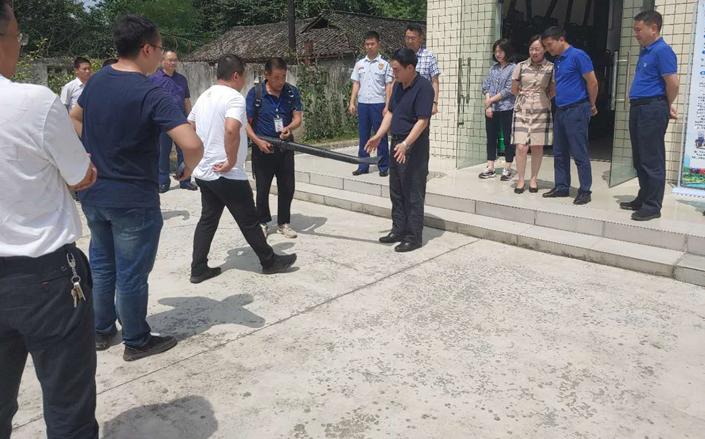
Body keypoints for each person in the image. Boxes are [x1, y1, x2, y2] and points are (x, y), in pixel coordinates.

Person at [69, 15, 204, 361]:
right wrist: (187, 171)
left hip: (94, 195)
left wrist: (88, 153)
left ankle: (101, 330)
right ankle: (136, 339)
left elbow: (74, 118)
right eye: (159, 49)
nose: (161, 56)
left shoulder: (96, 81)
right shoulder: (151, 92)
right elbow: (191, 144)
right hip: (133, 200)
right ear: (146, 49)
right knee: (131, 274)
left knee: (102, 266)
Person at [0, 0, 100, 436]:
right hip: (42, 276)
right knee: (67, 404)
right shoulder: (33, 101)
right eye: (17, 35)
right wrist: (83, 167)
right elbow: (80, 176)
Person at [188, 54, 298, 282]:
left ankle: (198, 268)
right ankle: (269, 261)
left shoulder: (204, 96)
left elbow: (189, 126)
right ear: (236, 75)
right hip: (226, 173)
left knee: (207, 220)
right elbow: (231, 130)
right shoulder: (234, 98)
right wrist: (230, 161)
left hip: (206, 172)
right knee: (249, 221)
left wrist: (192, 161)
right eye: (245, 75)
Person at [365, 48, 434, 253]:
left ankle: (413, 237)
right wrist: (379, 136)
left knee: (413, 192)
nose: (393, 73)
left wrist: (406, 144)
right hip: (396, 144)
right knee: (396, 191)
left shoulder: (424, 88)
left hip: (413, 146)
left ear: (410, 68)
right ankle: (399, 230)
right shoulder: (398, 86)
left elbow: (422, 121)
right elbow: (390, 113)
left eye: (396, 69)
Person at [620, 10, 678, 221]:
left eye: (639, 30)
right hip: (639, 107)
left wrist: (666, 104)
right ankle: (643, 198)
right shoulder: (646, 51)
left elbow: (673, 83)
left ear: (653, 28)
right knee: (640, 157)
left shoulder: (662, 51)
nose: (636, 34)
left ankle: (653, 206)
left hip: (652, 107)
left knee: (652, 158)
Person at [246, 57, 303, 239]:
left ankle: (284, 222)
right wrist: (258, 142)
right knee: (263, 188)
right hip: (263, 148)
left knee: (287, 186)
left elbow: (297, 118)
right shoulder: (256, 94)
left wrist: (289, 128)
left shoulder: (291, 92)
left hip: (285, 147)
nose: (280, 82)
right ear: (266, 75)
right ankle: (262, 222)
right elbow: (245, 123)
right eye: (276, 77)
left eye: (283, 77)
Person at [541, 26, 598, 205]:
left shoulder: (578, 56)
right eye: (545, 46)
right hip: (561, 110)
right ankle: (562, 186)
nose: (548, 49)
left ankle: (585, 190)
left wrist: (592, 105)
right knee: (559, 151)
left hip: (577, 109)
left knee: (579, 152)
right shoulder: (558, 60)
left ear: (561, 40)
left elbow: (592, 82)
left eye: (549, 44)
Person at [511, 34, 555, 193]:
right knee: (521, 146)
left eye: (537, 49)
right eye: (531, 49)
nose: (534, 52)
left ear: (544, 50)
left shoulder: (551, 67)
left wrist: (540, 99)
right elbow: (514, 89)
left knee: (537, 146)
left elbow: (552, 90)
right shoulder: (521, 66)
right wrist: (525, 99)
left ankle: (534, 179)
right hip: (522, 109)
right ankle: (521, 180)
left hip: (541, 109)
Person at [150, 50, 198, 193]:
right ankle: (163, 182)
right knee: (163, 152)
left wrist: (190, 120)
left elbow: (186, 100)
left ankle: (185, 180)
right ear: (162, 61)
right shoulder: (153, 79)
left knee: (183, 151)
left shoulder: (182, 79)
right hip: (162, 122)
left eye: (175, 60)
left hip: (180, 121)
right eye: (170, 60)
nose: (173, 63)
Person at [349, 30, 393, 177]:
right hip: (363, 104)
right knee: (363, 135)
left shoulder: (384, 64)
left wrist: (387, 106)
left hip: (378, 104)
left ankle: (383, 166)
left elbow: (388, 85)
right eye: (367, 44)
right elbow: (356, 83)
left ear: (378, 44)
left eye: (372, 44)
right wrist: (352, 102)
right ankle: (363, 165)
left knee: (380, 136)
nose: (369, 47)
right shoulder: (360, 63)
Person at [480, 38, 517, 180]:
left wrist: (490, 100)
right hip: (492, 108)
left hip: (507, 108)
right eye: (496, 52)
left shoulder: (513, 68)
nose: (498, 54)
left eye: (500, 51)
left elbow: (509, 89)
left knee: (508, 138)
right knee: (491, 137)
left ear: (507, 51)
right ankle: (490, 167)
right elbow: (486, 86)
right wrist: (489, 105)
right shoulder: (493, 68)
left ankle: (508, 167)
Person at [387, 23, 440, 116]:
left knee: (421, 123)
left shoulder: (429, 56)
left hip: (422, 101)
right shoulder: (399, 55)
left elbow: (435, 81)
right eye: (407, 38)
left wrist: (434, 103)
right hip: (402, 100)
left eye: (413, 38)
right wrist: (388, 105)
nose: (410, 41)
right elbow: (393, 82)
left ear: (421, 38)